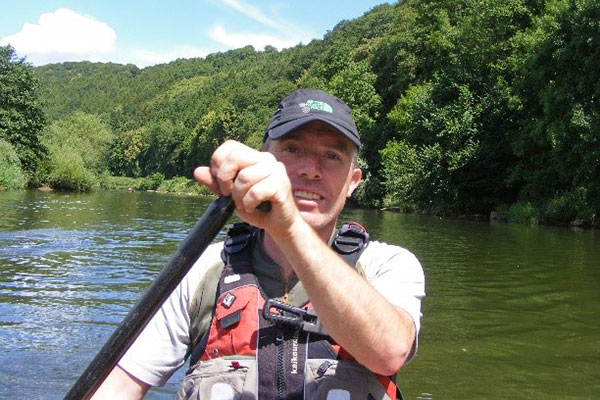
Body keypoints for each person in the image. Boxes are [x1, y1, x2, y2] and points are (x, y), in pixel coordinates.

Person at [92, 89, 425, 399]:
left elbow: (389, 352)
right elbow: (118, 387)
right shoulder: (201, 271)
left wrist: (289, 227)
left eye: (332, 156)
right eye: (293, 149)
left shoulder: (390, 264)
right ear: (264, 160)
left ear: (352, 182)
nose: (311, 170)